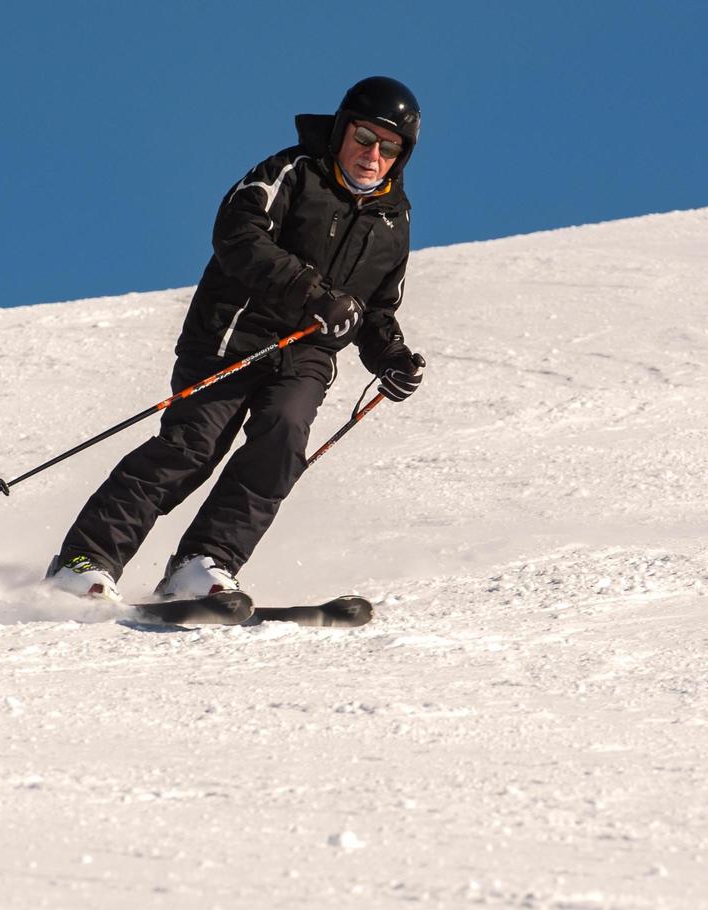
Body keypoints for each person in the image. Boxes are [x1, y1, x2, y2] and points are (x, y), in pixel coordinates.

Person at [45, 76, 427, 602]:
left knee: (284, 437)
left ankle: (204, 563)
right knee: (194, 445)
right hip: (234, 329)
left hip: (307, 351)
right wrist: (312, 294)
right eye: (364, 137)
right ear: (342, 131)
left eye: (389, 147)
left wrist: (391, 356)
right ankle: (84, 560)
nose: (372, 155)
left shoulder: (394, 219)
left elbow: (377, 308)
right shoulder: (293, 171)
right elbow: (237, 233)